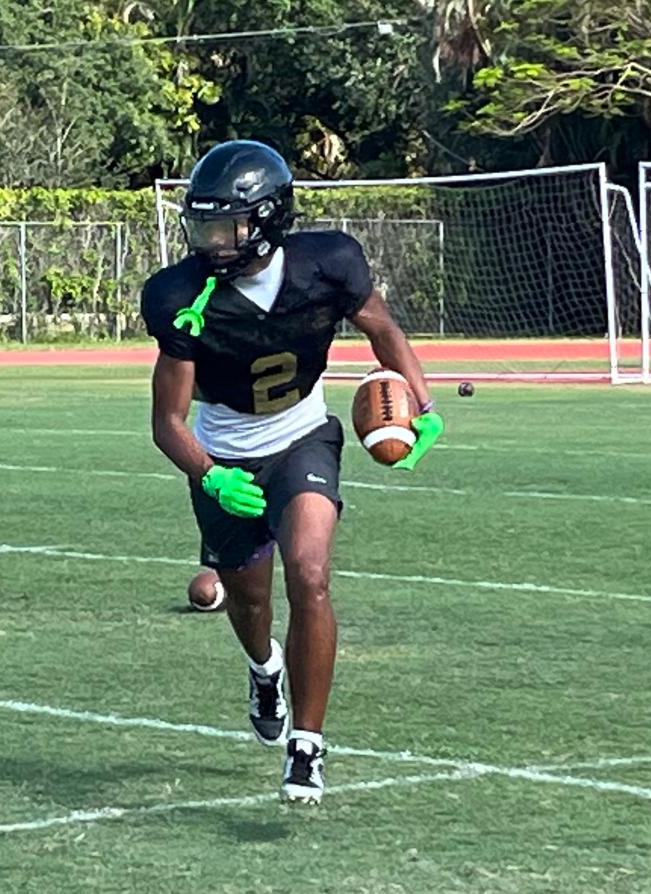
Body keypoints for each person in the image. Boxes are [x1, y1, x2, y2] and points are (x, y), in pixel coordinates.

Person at [141, 140, 444, 804]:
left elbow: (385, 332)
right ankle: (262, 667)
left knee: (309, 574)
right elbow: (167, 421)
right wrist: (209, 473)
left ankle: (307, 747)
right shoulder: (179, 296)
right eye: (204, 225)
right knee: (250, 601)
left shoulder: (328, 265)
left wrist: (422, 406)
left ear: (270, 219)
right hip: (225, 453)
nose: (212, 241)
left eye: (228, 225)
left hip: (304, 435)